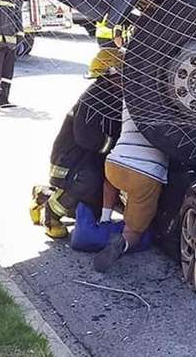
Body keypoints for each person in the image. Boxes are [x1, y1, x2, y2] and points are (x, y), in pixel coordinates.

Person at [30, 67, 123, 238]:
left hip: (89, 157)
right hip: (71, 160)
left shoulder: (113, 96)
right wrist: (115, 146)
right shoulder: (93, 100)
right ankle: (51, 215)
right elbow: (86, 138)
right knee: (88, 181)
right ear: (109, 76)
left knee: (90, 209)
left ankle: (43, 194)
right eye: (121, 76)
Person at [93, 102, 168, 272]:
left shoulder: (132, 96)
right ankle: (123, 243)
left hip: (115, 162)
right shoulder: (171, 107)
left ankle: (105, 219)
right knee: (135, 230)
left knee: (111, 181)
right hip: (146, 173)